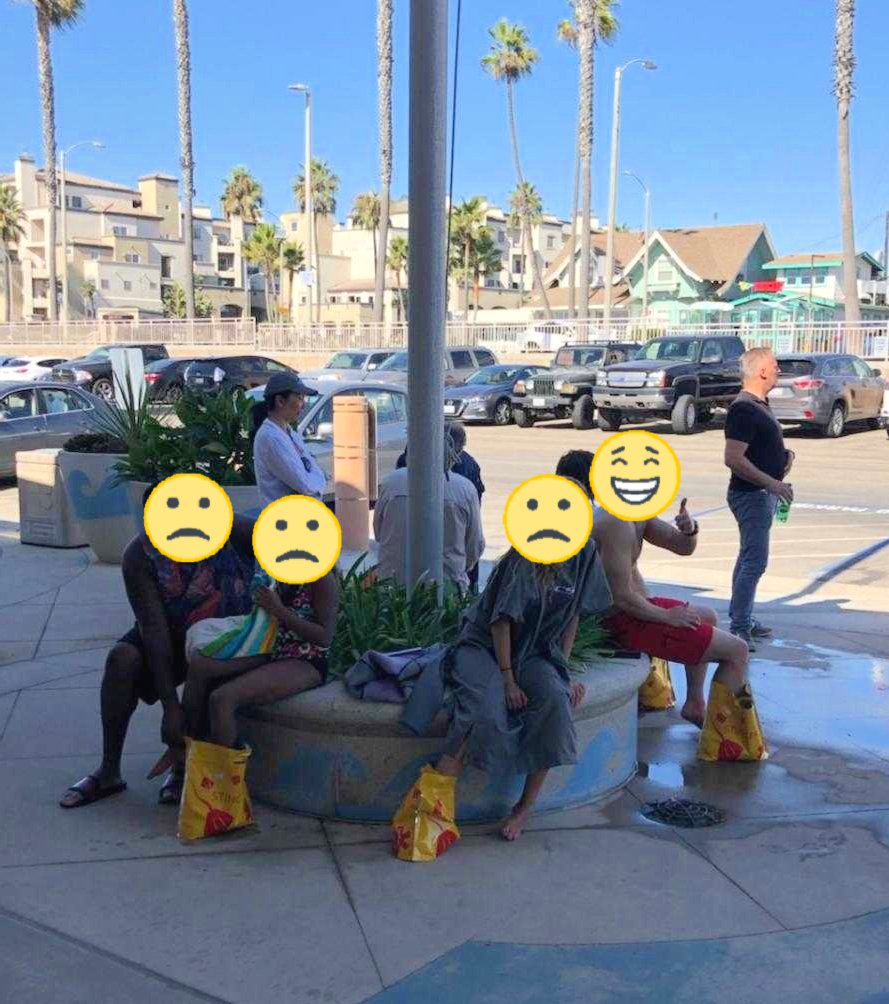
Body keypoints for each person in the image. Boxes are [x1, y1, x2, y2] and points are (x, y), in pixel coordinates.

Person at [433, 471, 610, 842]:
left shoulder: (585, 553)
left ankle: (523, 808)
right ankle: (433, 806)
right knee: (484, 710)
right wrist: (509, 678)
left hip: (536, 651)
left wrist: (561, 673)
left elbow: (572, 616)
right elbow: (501, 623)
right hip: (486, 646)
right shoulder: (526, 554)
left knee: (556, 705)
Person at [60, 498, 255, 809]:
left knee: (206, 668)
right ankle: (109, 771)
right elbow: (153, 630)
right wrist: (169, 706)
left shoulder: (232, 528)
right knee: (121, 660)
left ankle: (183, 764)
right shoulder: (139, 555)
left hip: (228, 632)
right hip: (174, 632)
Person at [591, 494, 749, 729]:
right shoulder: (615, 522)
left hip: (636, 610)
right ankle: (723, 737)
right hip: (621, 620)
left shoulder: (637, 515)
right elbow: (621, 597)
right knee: (738, 651)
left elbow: (682, 547)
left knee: (707, 617)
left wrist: (689, 530)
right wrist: (668, 616)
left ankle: (695, 703)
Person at [182, 573, 339, 748]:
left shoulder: (321, 578)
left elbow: (325, 637)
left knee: (222, 699)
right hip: (271, 648)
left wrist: (279, 610)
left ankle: (223, 772)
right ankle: (185, 751)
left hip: (306, 658)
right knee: (199, 666)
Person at [724, 347, 794, 650]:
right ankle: (739, 628)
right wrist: (772, 484)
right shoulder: (744, 408)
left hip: (761, 493)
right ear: (761, 371)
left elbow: (757, 451)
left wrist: (783, 460)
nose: (778, 371)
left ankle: (743, 618)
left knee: (748, 558)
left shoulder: (759, 405)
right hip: (750, 495)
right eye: (775, 366)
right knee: (755, 562)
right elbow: (733, 458)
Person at [375, 427, 484, 593]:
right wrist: (457, 566)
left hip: (392, 583)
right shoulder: (465, 489)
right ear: (454, 453)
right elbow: (474, 546)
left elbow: (379, 531)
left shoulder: (390, 483)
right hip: (445, 585)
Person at [252, 372, 326, 508]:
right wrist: (318, 481)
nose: (303, 404)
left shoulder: (288, 432)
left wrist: (316, 480)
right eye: (299, 398)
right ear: (280, 401)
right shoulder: (270, 437)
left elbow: (313, 473)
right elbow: (306, 485)